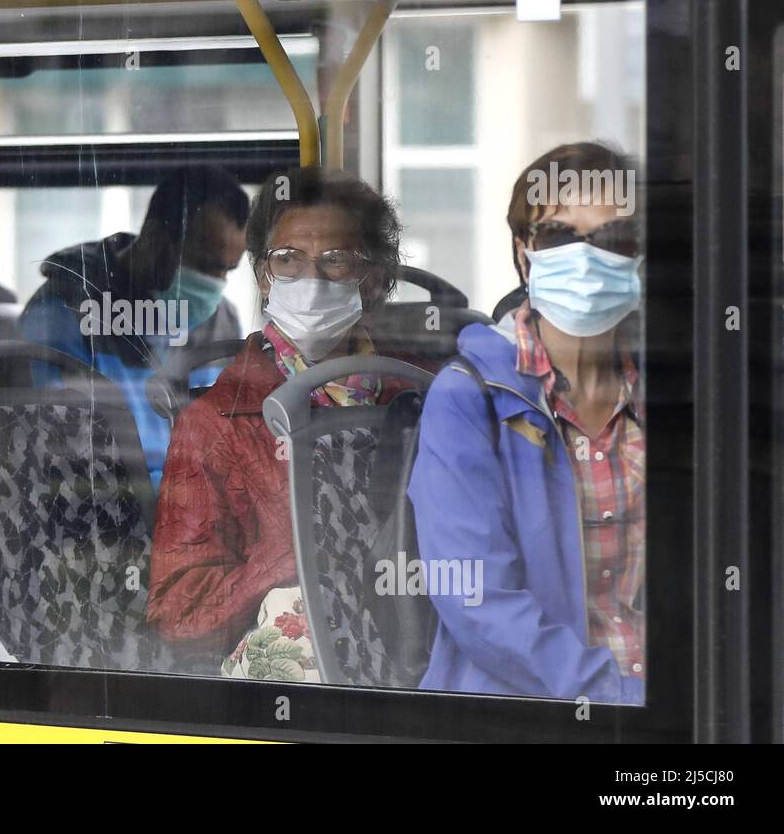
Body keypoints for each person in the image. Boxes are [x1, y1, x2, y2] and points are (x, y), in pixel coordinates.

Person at [147, 168, 428, 677]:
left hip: (416, 634)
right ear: (262, 276)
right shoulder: (216, 423)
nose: (311, 280)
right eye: (288, 260)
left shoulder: (418, 396)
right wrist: (283, 564)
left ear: (376, 278)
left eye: (336, 261)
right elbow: (176, 608)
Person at [408, 141, 645, 704]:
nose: (587, 258)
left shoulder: (688, 392)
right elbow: (479, 602)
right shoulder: (468, 399)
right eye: (560, 236)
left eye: (613, 240)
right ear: (524, 254)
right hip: (523, 711)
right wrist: (627, 698)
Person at [18, 165, 249, 486]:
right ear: (155, 239)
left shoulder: (221, 321)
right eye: (205, 266)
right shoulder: (64, 314)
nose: (215, 286)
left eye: (228, 270)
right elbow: (65, 454)